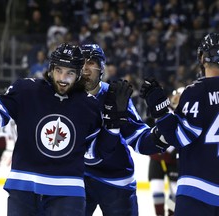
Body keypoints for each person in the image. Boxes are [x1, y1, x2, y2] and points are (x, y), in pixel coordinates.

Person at [0, 43, 132, 216]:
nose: (63, 79)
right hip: (23, 187)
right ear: (51, 68)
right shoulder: (26, 90)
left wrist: (112, 126)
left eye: (70, 73)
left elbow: (95, 153)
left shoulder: (89, 106)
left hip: (67, 193)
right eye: (59, 70)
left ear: (78, 74)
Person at [81, 43, 171, 216]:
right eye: (82, 62)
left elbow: (140, 140)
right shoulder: (68, 98)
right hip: (79, 179)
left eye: (91, 62)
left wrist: (162, 131)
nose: (85, 68)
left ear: (101, 68)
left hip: (117, 182)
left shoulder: (115, 97)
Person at [139, 32, 219, 216]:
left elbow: (179, 137)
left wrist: (161, 109)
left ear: (202, 58)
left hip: (197, 190)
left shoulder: (196, 92)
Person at [147, 87, 184, 216]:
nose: (175, 97)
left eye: (179, 95)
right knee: (156, 189)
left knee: (174, 192)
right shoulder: (163, 111)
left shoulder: (184, 116)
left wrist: (171, 152)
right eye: (175, 94)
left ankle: (171, 213)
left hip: (173, 160)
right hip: (157, 159)